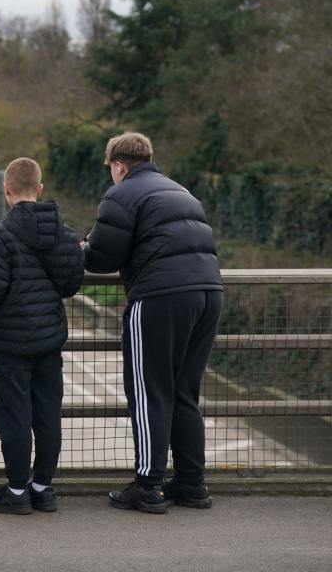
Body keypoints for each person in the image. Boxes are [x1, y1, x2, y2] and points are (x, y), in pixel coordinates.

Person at [83, 132, 223, 514]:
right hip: (209, 292)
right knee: (183, 392)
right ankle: (192, 484)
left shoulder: (123, 193)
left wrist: (81, 247)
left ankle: (148, 484)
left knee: (148, 392)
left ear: (118, 164)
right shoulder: (181, 191)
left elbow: (101, 257)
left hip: (161, 296)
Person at [0, 157, 84, 514]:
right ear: (39, 188)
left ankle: (17, 492)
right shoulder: (63, 235)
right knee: (48, 413)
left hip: (12, 343)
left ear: (6, 190)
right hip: (49, 340)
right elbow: (71, 284)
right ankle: (43, 487)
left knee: (14, 416)